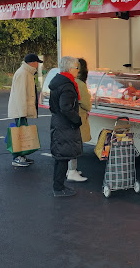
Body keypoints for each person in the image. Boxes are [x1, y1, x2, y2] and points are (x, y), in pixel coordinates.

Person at [49, 56, 83, 197]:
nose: (77, 71)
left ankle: (59, 186)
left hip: (58, 122)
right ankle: (59, 188)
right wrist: (77, 120)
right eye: (76, 68)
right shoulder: (67, 85)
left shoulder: (57, 81)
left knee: (60, 156)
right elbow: (66, 108)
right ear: (70, 68)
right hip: (65, 124)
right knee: (63, 156)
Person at [7, 53, 43, 167]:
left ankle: (21, 156)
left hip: (21, 109)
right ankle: (17, 157)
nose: (38, 64)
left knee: (21, 133)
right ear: (32, 63)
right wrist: (22, 112)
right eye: (37, 62)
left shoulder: (26, 72)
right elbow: (20, 94)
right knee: (19, 134)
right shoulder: (23, 74)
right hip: (20, 110)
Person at [66, 58, 91, 182]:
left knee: (70, 144)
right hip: (77, 117)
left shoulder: (66, 80)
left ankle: (70, 169)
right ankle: (72, 171)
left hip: (66, 118)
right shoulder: (79, 84)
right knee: (75, 144)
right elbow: (87, 104)